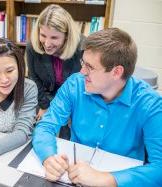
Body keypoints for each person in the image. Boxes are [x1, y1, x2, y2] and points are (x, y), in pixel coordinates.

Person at [32, 28, 162, 187]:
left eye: (90, 67)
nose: (82, 71)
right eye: (83, 63)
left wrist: (105, 179)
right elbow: (46, 125)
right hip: (72, 175)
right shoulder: (75, 84)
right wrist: (48, 158)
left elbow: (159, 168)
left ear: (116, 72)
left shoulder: (151, 104)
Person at [26, 4, 84, 139]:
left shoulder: (81, 48)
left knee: (67, 133)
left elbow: (81, 86)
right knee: (37, 131)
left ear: (66, 36)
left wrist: (68, 111)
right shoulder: (32, 46)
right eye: (43, 35)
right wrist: (44, 106)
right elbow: (33, 78)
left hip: (72, 99)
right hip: (44, 96)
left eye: (54, 38)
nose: (46, 43)